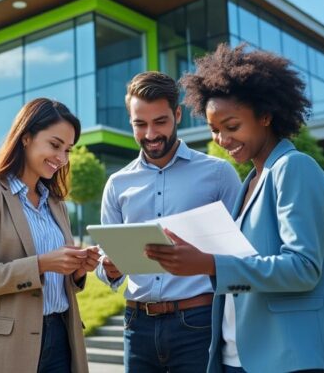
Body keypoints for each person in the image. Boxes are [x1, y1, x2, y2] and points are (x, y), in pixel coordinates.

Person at [145, 43, 324, 373]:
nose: (222, 139)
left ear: (266, 116)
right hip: (239, 357)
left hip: (288, 358)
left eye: (232, 126)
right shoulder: (252, 180)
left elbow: (303, 268)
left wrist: (211, 264)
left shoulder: (294, 168)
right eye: (214, 130)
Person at [94, 71, 242, 372]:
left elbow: (242, 253)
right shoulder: (117, 184)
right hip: (136, 325)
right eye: (140, 124)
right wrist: (108, 268)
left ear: (177, 115)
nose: (150, 134)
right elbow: (103, 258)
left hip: (198, 322)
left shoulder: (218, 174)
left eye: (160, 122)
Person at [0, 98, 100, 373]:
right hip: (6, 347)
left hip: (61, 337)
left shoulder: (56, 204)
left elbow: (61, 283)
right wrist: (41, 264)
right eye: (55, 145)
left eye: (68, 150)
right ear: (26, 137)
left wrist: (77, 270)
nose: (62, 158)